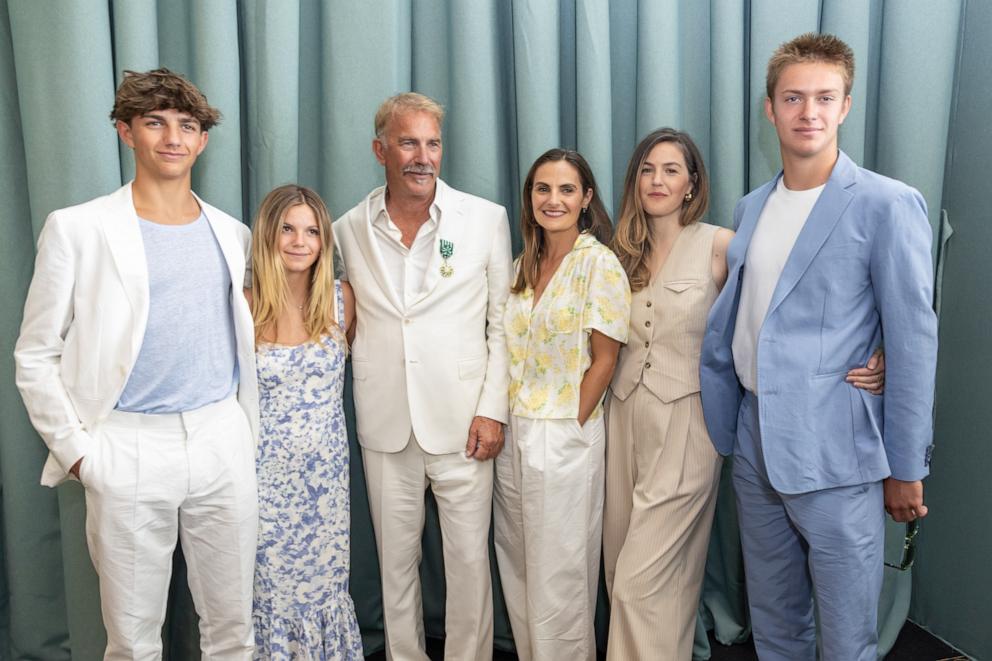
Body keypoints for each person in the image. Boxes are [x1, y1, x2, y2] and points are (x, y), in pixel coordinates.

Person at [602, 128, 885, 660]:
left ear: (692, 184)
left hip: (688, 421)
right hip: (622, 421)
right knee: (619, 567)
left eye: (670, 170)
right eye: (646, 169)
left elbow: (802, 299)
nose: (657, 180)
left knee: (641, 583)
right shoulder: (621, 253)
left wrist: (881, 346)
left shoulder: (719, 244)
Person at [700, 33, 938, 660]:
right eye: (794, 98)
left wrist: (906, 465)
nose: (809, 112)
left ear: (845, 107)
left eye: (824, 98)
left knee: (846, 634)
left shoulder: (887, 204)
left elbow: (913, 340)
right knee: (775, 623)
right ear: (770, 109)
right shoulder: (751, 207)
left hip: (838, 451)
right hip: (753, 443)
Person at [14, 69, 259, 659]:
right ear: (127, 133)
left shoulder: (233, 233)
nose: (172, 137)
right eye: (155, 122)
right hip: (126, 447)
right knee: (131, 638)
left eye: (187, 125)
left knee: (233, 629)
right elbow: (35, 352)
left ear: (202, 140)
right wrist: (76, 451)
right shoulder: (78, 229)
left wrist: (241, 437)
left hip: (219, 438)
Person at [333, 92, 512, 661]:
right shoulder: (346, 230)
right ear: (379, 149)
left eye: (432, 143)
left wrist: (492, 409)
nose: (422, 156)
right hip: (386, 425)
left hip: (465, 425)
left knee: (467, 566)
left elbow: (501, 327)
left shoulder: (486, 219)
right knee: (395, 568)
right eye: (408, 142)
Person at [494, 148, 630, 661]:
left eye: (567, 189)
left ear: (586, 198)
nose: (554, 200)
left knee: (561, 574)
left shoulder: (599, 263)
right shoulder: (521, 265)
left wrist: (573, 425)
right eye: (543, 189)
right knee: (518, 561)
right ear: (530, 199)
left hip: (565, 434)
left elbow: (604, 359)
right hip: (515, 430)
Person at [248, 185, 362, 658]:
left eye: (312, 231)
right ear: (268, 236)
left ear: (324, 242)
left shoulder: (342, 300)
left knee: (324, 592)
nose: (300, 241)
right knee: (269, 594)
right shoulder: (245, 304)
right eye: (288, 229)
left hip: (325, 485)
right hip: (262, 484)